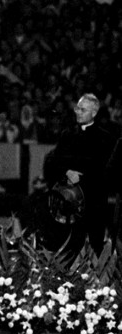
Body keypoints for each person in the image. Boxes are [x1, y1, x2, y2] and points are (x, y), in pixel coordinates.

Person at [44, 93, 115, 256]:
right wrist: (67, 172)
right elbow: (53, 162)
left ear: (94, 113)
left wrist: (82, 178)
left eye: (83, 110)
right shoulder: (67, 135)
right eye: (77, 108)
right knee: (67, 246)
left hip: (94, 202)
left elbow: (105, 170)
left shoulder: (105, 139)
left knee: (95, 245)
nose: (78, 112)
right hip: (68, 204)